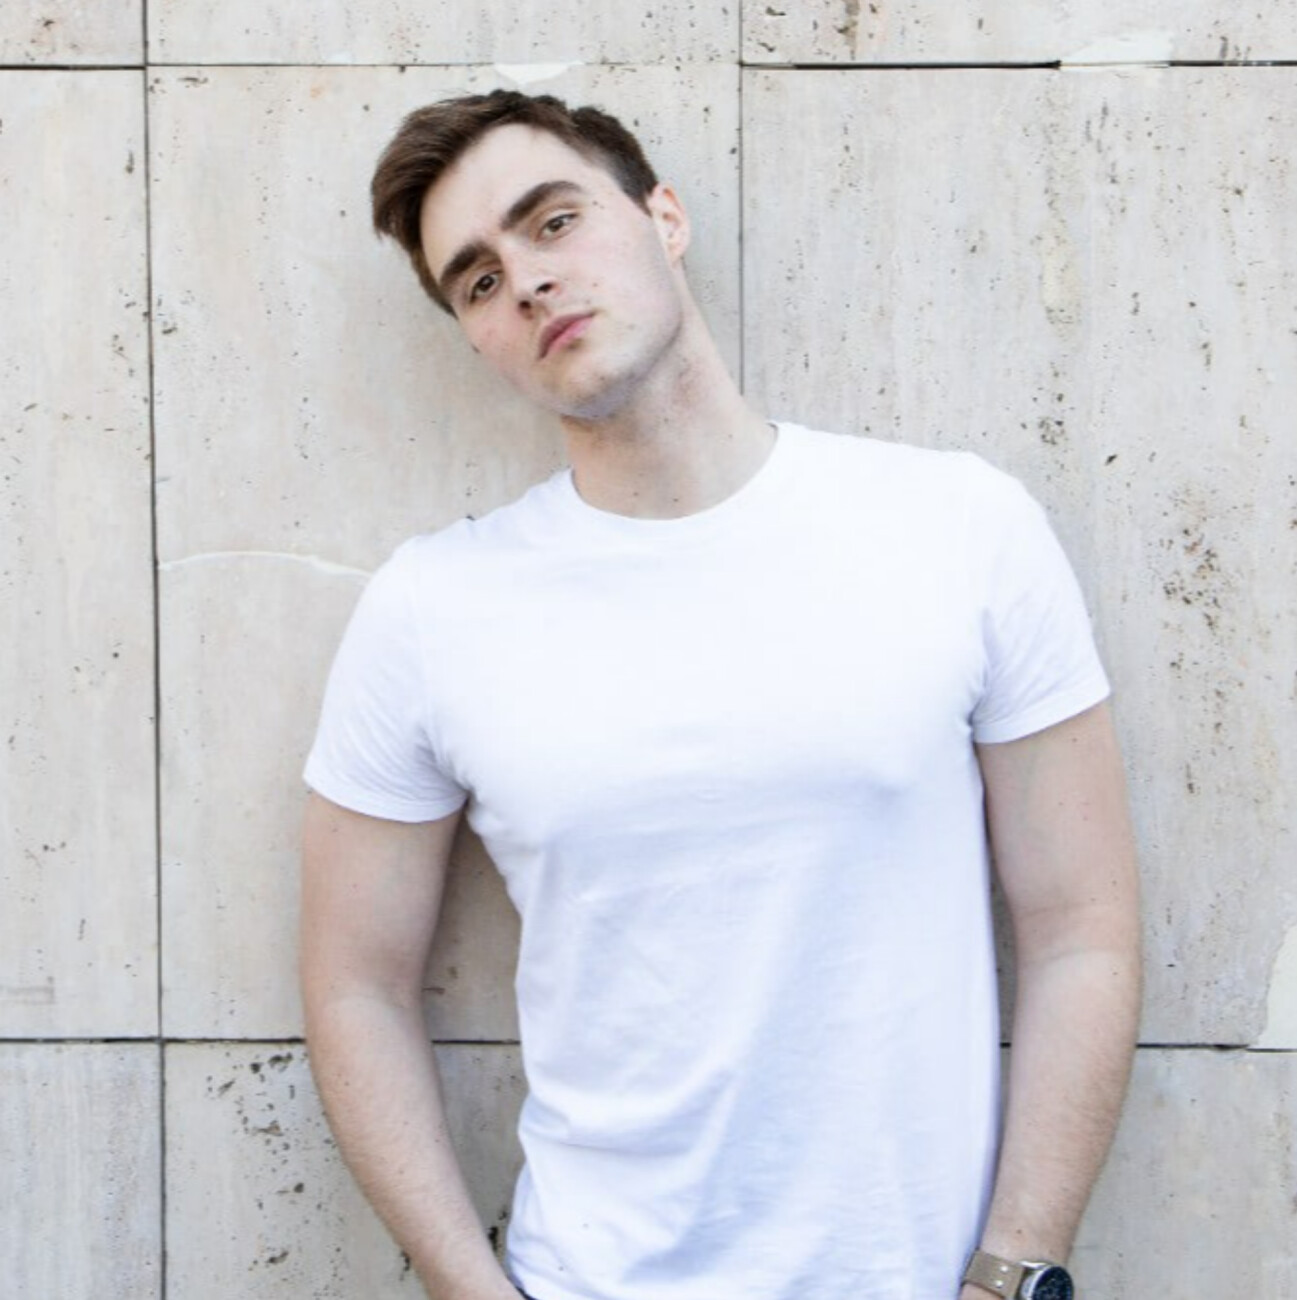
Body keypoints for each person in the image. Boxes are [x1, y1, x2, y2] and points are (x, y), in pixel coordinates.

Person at [299, 90, 1142, 1300]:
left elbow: (1082, 930)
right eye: (477, 280)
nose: (526, 281)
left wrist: (1013, 1274)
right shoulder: (432, 609)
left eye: (553, 221)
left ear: (665, 217)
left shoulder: (957, 527)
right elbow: (353, 985)